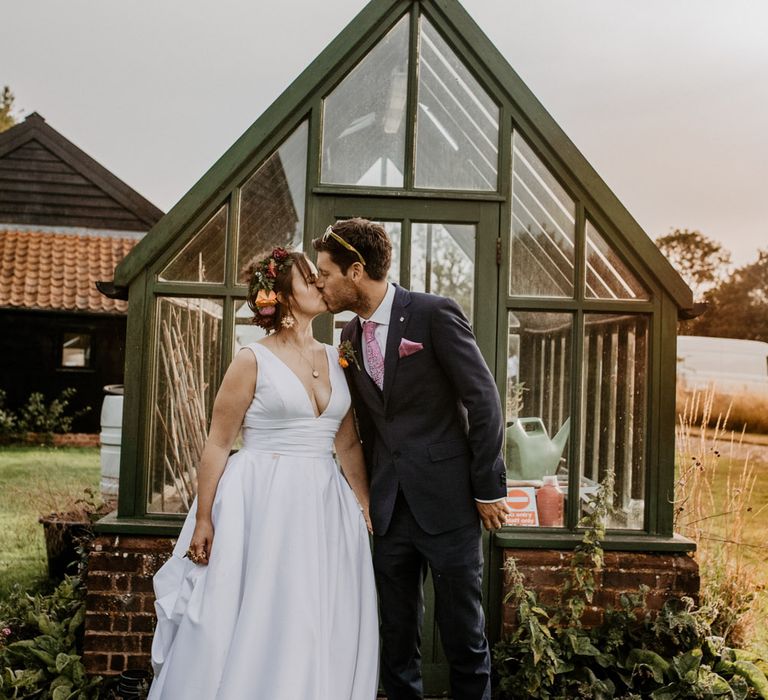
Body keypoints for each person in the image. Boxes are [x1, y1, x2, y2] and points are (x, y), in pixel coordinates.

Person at [147, 248, 379, 700]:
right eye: (309, 278)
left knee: (316, 614)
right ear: (282, 295)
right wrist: (203, 518)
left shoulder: (337, 358)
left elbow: (347, 442)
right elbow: (218, 442)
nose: (319, 284)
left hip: (325, 505)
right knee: (259, 611)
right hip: (261, 500)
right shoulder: (251, 360)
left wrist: (364, 502)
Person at [312, 219, 511, 700]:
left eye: (325, 272)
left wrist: (488, 487)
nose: (319, 282)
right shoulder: (348, 337)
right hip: (389, 510)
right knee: (397, 641)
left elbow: (484, 401)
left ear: (356, 271)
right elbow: (366, 425)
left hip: (450, 505)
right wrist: (365, 498)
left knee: (463, 635)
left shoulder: (433, 314)